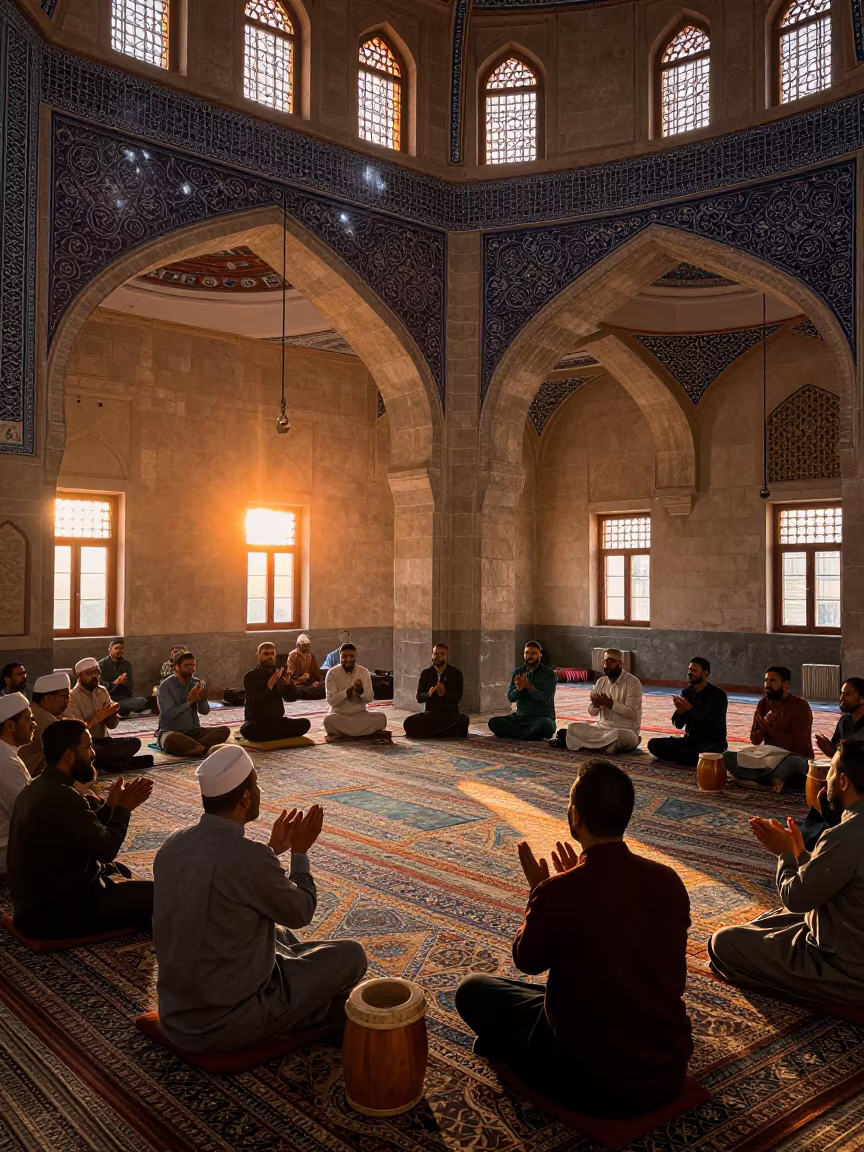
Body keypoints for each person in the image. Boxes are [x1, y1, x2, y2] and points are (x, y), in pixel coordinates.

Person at [455, 759, 692, 1117]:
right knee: (547, 996)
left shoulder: (558, 892)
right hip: (665, 1068)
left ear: (575, 817)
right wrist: (562, 888)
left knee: (474, 990)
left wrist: (539, 892)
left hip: (593, 1083)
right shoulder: (668, 880)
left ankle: (517, 1052)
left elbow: (528, 961)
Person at [152, 744, 367, 1051]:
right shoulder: (248, 859)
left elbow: (228, 879)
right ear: (246, 798)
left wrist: (271, 850)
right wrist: (300, 852)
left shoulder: (174, 843)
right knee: (351, 956)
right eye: (256, 785)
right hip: (229, 1021)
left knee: (276, 933)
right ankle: (311, 1013)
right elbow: (301, 912)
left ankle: (299, 984)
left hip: (177, 1013)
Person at [709, 738, 864, 1007]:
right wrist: (802, 854)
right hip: (849, 935)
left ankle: (820, 994)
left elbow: (796, 898)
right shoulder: (848, 833)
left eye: (829, 772)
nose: (824, 782)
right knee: (776, 918)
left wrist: (785, 854)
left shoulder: (844, 836)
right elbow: (839, 880)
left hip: (845, 968)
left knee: (723, 943)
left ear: (843, 782)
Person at [7, 719, 154, 938]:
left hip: (29, 910)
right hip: (59, 913)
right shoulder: (63, 795)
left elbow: (80, 827)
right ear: (69, 755)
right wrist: (124, 809)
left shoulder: (37, 786)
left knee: (119, 870)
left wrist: (110, 807)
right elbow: (105, 851)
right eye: (87, 747)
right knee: (158, 893)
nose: (93, 753)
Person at [724, 666, 812, 792]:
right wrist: (763, 728)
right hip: (767, 758)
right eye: (766, 681)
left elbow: (798, 746)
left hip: (792, 756)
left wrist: (768, 727)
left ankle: (757, 779)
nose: (767, 684)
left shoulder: (800, 706)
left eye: (772, 681)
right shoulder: (763, 704)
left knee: (794, 764)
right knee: (726, 757)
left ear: (785, 684)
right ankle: (772, 781)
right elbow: (755, 740)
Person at [66, 658, 152, 774]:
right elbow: (76, 732)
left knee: (135, 742)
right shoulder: (72, 697)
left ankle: (108, 764)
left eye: (96, 673)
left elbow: (112, 726)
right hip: (88, 743)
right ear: (78, 675)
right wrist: (98, 717)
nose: (94, 676)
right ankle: (120, 764)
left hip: (105, 741)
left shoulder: (102, 691)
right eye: (89, 673)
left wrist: (111, 716)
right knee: (93, 751)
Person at [550, 648, 641, 753]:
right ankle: (603, 747)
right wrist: (595, 705)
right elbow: (592, 713)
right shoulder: (601, 682)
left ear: (620, 664)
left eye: (611, 661)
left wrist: (611, 704)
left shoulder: (632, 683)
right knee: (573, 727)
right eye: (605, 661)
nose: (606, 664)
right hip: (601, 729)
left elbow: (633, 714)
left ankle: (585, 745)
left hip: (625, 730)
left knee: (622, 736)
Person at [646, 657, 727, 767]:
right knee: (653, 744)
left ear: (705, 673)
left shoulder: (718, 696)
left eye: (694, 670)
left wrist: (690, 709)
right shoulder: (687, 692)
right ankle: (687, 758)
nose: (690, 673)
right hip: (690, 742)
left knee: (708, 754)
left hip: (711, 744)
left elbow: (711, 725)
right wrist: (680, 711)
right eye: (689, 670)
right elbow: (678, 725)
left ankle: (686, 758)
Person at [157, 652, 231, 757]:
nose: (191, 669)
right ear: (177, 667)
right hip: (171, 732)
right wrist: (189, 702)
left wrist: (203, 699)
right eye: (187, 665)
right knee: (172, 739)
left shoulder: (196, 683)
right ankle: (198, 748)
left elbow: (204, 711)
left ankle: (195, 748)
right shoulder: (165, 686)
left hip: (194, 732)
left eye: (193, 665)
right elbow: (169, 715)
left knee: (223, 731)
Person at [241, 642, 311, 742]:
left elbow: (290, 698)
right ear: (258, 655)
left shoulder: (279, 673)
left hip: (277, 722)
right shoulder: (250, 676)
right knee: (249, 730)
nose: (269, 657)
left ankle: (270, 736)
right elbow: (254, 699)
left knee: (305, 723)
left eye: (272, 654)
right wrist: (269, 685)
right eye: (266, 654)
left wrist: (289, 686)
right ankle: (277, 735)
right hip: (258, 722)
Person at [488, 642, 557, 742]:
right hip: (519, 719)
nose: (529, 656)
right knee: (493, 722)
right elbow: (511, 698)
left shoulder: (549, 674)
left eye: (533, 653)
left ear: (540, 655)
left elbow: (545, 698)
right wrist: (519, 689)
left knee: (546, 725)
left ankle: (518, 735)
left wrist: (528, 687)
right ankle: (526, 735)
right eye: (527, 653)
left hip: (540, 718)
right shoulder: (519, 671)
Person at [323, 644, 390, 741]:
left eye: (351, 656)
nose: (348, 659)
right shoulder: (332, 673)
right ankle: (364, 733)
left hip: (361, 714)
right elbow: (331, 701)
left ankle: (344, 734)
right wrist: (346, 692)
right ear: (340, 657)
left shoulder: (363, 671)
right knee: (329, 720)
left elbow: (370, 698)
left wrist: (360, 692)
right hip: (341, 715)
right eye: (345, 656)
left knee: (381, 717)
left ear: (356, 657)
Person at [403, 643, 470, 739]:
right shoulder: (426, 673)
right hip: (431, 714)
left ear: (447, 656)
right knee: (409, 722)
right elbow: (419, 698)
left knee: (463, 721)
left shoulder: (456, 673)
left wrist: (444, 694)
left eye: (441, 654)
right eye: (435, 654)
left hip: (449, 715)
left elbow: (457, 698)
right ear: (432, 655)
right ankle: (444, 733)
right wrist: (429, 694)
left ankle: (433, 732)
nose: (437, 656)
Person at [0, 693, 34, 876]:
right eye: (28, 719)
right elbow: (30, 816)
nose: (33, 724)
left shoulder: (6, 754)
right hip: (7, 853)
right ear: (10, 726)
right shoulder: (5, 762)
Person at [19, 672, 71, 777]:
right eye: (64, 697)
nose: (67, 701)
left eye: (68, 697)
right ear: (47, 699)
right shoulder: (46, 721)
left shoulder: (37, 712)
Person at [98, 639, 152, 716]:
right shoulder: (101, 665)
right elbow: (100, 685)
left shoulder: (127, 664)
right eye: (116, 648)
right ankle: (121, 709)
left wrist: (125, 682)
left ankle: (119, 709)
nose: (119, 651)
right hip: (109, 698)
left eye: (121, 649)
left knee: (142, 701)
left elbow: (131, 685)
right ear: (110, 650)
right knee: (107, 705)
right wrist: (114, 683)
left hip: (124, 698)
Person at [286, 635, 326, 700]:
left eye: (308, 646)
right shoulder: (292, 656)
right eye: (304, 646)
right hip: (298, 684)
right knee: (299, 691)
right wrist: (301, 678)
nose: (307, 649)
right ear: (298, 646)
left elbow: (316, 672)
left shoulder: (311, 656)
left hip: (309, 683)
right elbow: (291, 675)